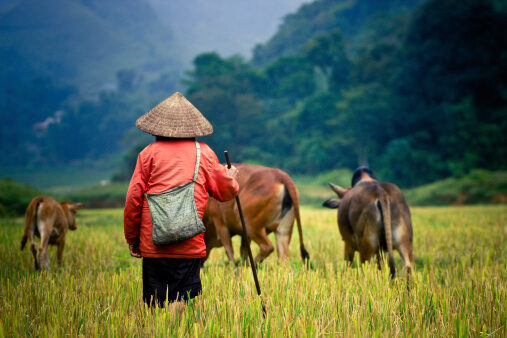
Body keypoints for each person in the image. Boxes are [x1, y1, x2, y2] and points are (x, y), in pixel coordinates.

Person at [124, 92, 239, 313]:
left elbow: (133, 200)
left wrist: (132, 237)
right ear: (193, 129)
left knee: (155, 300)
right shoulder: (204, 153)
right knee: (179, 297)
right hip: (188, 241)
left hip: (152, 241)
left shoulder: (147, 154)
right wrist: (231, 177)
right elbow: (225, 192)